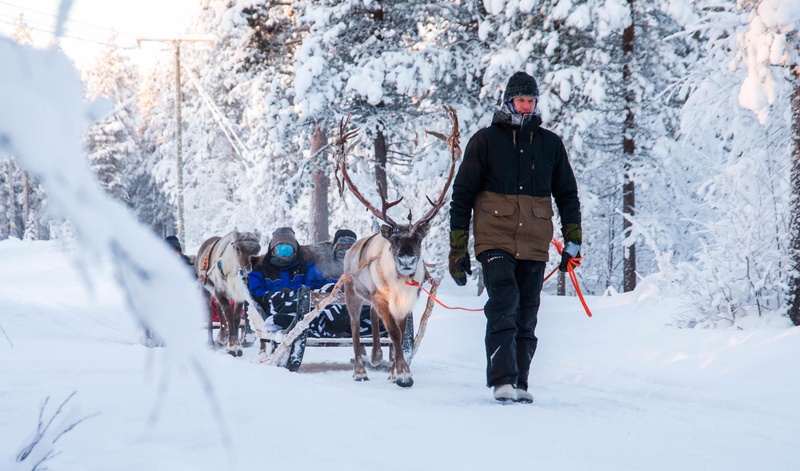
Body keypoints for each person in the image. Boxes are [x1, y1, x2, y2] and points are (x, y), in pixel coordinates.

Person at [448, 71, 582, 403]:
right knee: (504, 301)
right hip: (495, 238)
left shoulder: (550, 144)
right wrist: (457, 248)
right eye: (521, 100)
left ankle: (521, 381)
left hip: (535, 242)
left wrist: (573, 241)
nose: (526, 106)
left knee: (527, 310)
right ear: (508, 102)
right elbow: (462, 195)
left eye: (531, 101)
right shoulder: (485, 140)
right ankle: (502, 379)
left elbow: (567, 194)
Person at [248, 227, 376, 338]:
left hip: (312, 304)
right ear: (273, 250)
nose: (284, 253)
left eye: (288, 249)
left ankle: (333, 321)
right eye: (280, 249)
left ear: (295, 250)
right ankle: (318, 322)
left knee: (330, 294)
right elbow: (257, 294)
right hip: (282, 305)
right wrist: (278, 295)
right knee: (307, 302)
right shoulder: (260, 271)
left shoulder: (305, 267)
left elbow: (316, 285)